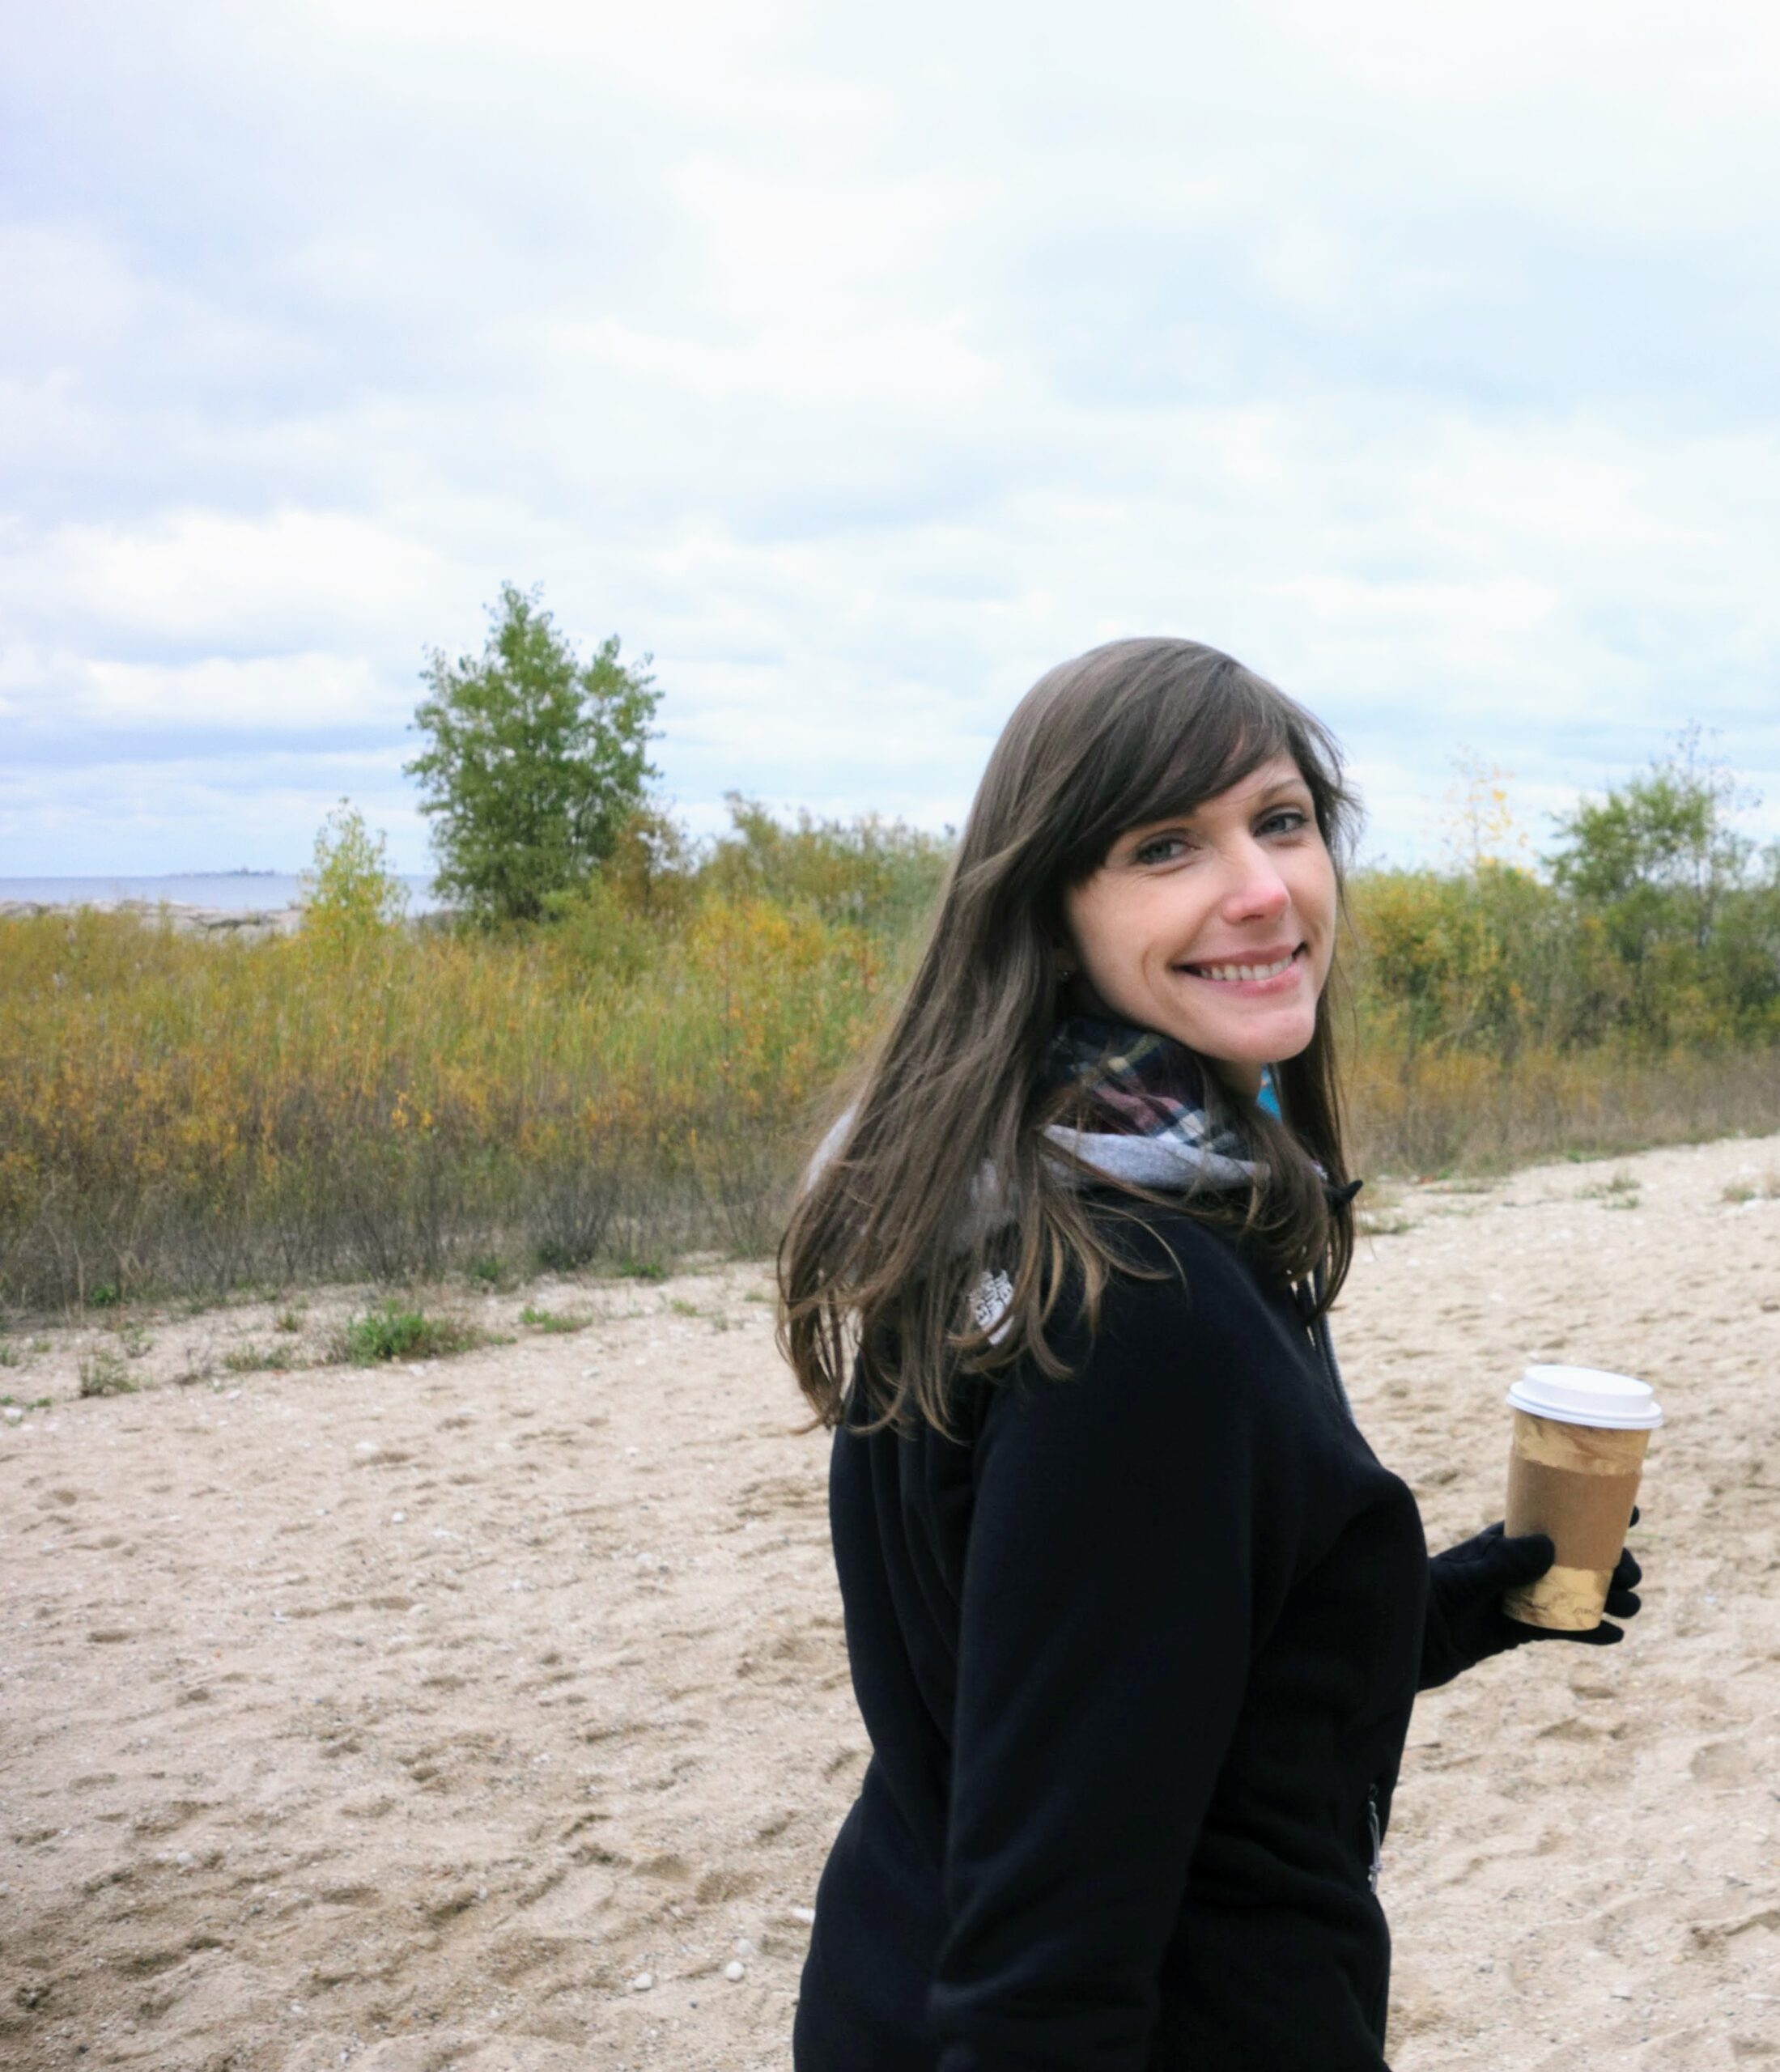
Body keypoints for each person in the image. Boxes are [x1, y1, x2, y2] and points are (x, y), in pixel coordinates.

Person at [777, 638, 1645, 2072]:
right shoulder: (1138, 1306)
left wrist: (1451, 1611)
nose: (1259, 887)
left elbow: (1125, 1686)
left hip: (893, 1958)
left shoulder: (1025, 1199)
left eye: (1282, 821)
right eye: (1166, 844)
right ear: (1051, 911)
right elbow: (1041, 1978)